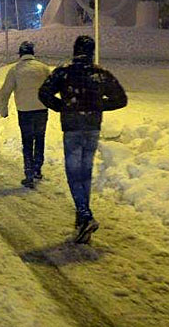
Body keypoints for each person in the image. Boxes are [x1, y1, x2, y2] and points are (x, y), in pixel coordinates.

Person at [39, 35, 127, 244]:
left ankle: (85, 214)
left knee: (73, 174)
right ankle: (81, 222)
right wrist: (97, 106)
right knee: (85, 173)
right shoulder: (100, 74)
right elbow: (121, 99)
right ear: (92, 52)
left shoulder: (64, 71)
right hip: (92, 128)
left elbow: (43, 93)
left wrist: (63, 106)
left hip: (72, 128)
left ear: (74, 50)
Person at [0, 41, 52, 189]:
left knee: (27, 142)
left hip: (25, 112)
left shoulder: (15, 70)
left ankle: (28, 173)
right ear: (32, 52)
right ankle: (38, 169)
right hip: (41, 110)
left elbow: (4, 92)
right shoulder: (44, 68)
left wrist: (3, 111)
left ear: (20, 53)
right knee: (40, 139)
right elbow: (52, 87)